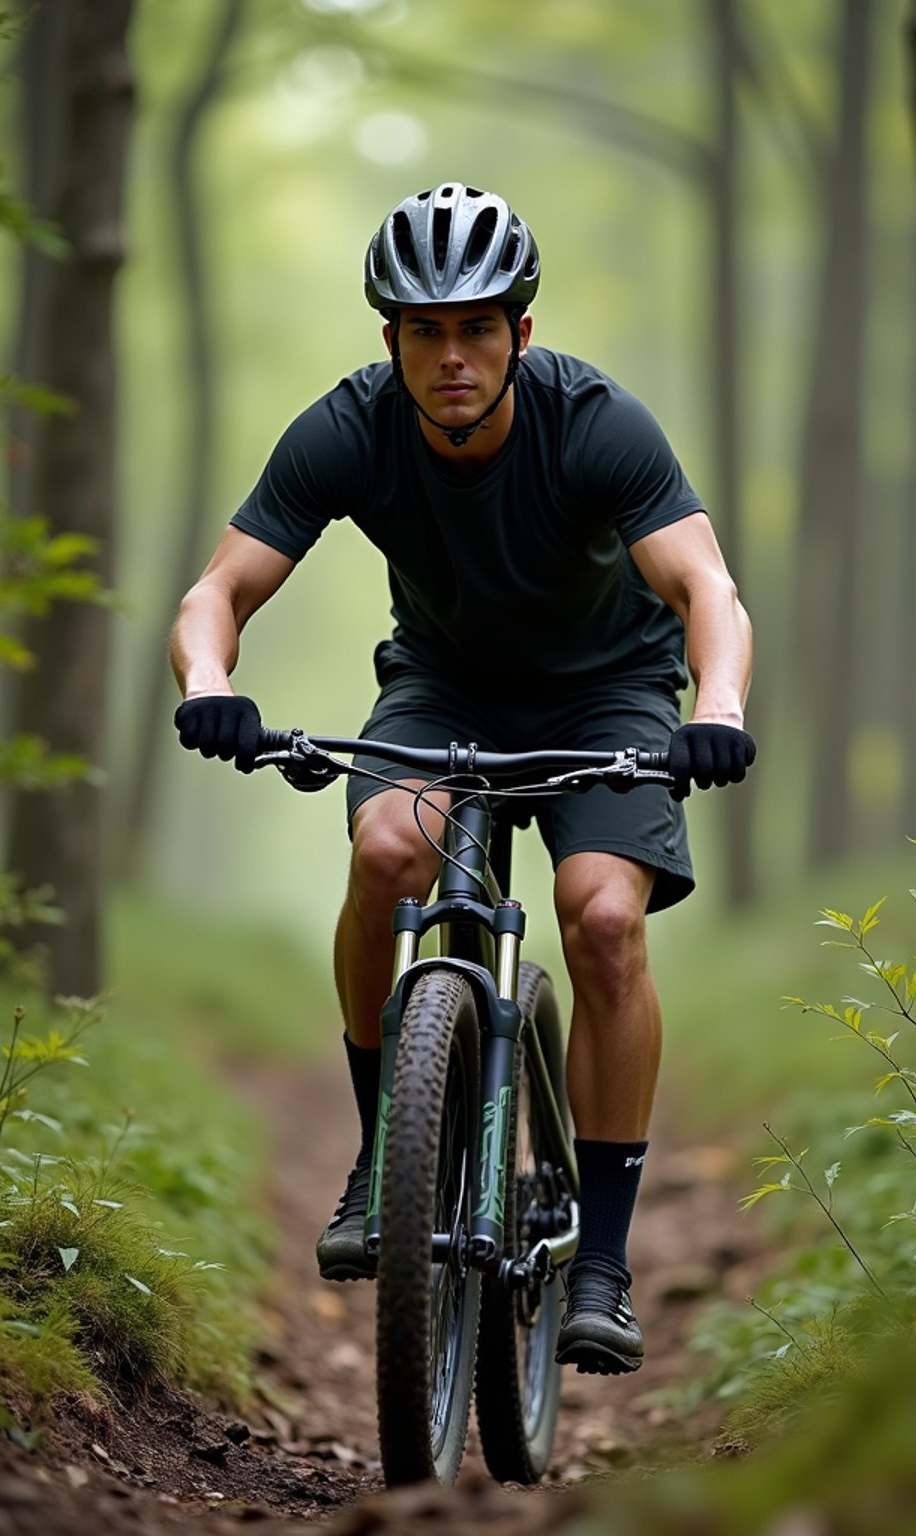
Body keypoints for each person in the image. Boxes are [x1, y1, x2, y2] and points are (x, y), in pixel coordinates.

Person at [171, 182, 754, 1377]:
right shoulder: (348, 426)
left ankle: (600, 1258)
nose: (451, 356)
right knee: (386, 851)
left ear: (518, 335)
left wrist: (718, 707)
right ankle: (388, 1150)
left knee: (601, 918)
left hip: (609, 695)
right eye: (424, 331)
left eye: (477, 327)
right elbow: (214, 594)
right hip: (442, 688)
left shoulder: (595, 423)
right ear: (388, 339)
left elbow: (708, 592)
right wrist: (206, 683)